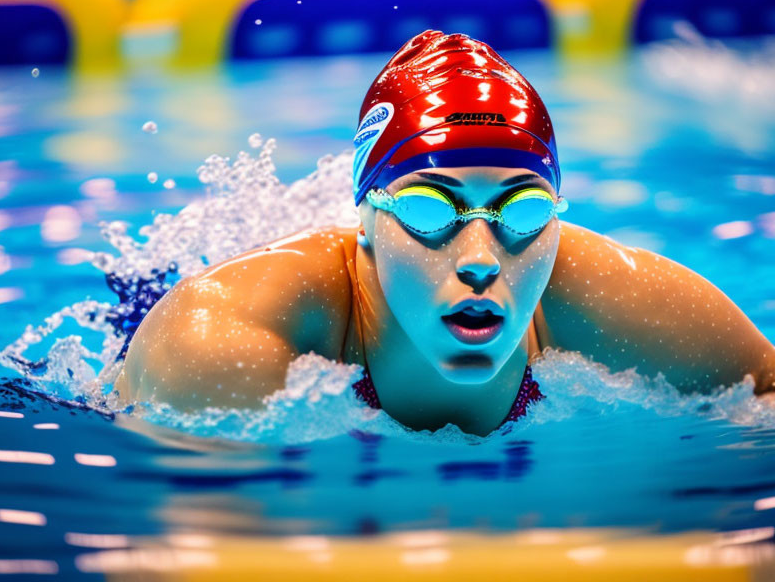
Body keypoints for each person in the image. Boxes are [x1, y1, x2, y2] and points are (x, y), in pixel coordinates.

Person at [115, 30, 775, 436]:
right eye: (432, 212)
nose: (484, 261)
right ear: (367, 219)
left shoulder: (606, 295)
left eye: (522, 215)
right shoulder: (227, 346)